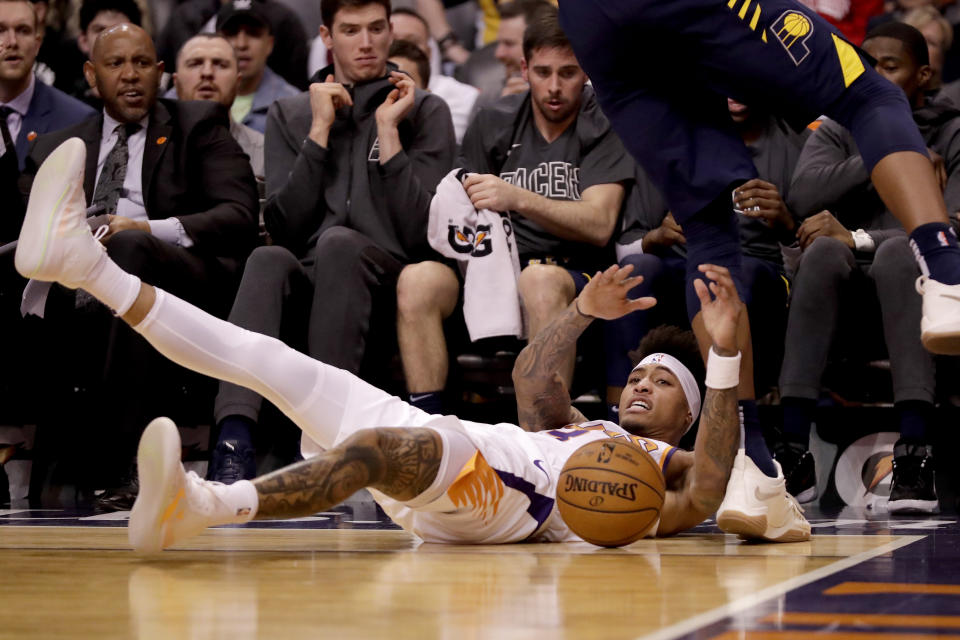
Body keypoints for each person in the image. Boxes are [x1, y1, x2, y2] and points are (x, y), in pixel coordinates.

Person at [12, 139, 796, 547]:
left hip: (499, 496)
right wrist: (580, 313)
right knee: (270, 360)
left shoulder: (665, 474)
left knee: (384, 448)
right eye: (641, 376)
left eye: (662, 387)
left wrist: (721, 362)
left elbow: (705, 493)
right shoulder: (589, 429)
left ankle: (204, 504)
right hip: (467, 450)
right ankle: (87, 265)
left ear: (686, 417)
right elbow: (531, 383)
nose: (639, 388)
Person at [557, 0, 960, 374]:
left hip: (590, 21)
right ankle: (947, 277)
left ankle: (738, 442)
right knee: (870, 95)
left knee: (706, 221)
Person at [208, 0, 455, 485]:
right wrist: (318, 133)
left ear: (390, 32)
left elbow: (422, 231)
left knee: (340, 243)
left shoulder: (424, 110)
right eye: (350, 30)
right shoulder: (291, 112)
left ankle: (322, 443)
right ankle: (232, 443)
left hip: (388, 278)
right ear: (326, 35)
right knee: (267, 258)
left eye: (376, 29)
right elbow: (284, 225)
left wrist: (388, 132)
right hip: (311, 280)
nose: (366, 42)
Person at [15, 23, 259, 510]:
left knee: (126, 252)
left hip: (180, 279)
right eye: (116, 64)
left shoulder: (199, 125)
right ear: (91, 74)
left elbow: (238, 214)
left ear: (161, 72)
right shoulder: (57, 146)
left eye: (143, 64)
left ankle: (120, 463)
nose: (131, 75)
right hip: (73, 288)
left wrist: (145, 230)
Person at [395, 8, 633, 416]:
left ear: (587, 71)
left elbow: (599, 224)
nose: (554, 87)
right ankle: (432, 428)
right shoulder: (494, 120)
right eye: (543, 72)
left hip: (575, 275)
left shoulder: (604, 121)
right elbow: (462, 214)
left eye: (569, 73)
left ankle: (541, 436)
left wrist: (518, 198)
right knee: (418, 279)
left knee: (539, 280)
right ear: (524, 68)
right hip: (495, 270)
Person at [775, 22, 954, 513]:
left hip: (924, 291)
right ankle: (792, 452)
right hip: (843, 295)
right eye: (866, 64)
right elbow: (803, 197)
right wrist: (891, 152)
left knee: (900, 253)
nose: (872, 75)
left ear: (922, 76)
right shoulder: (838, 124)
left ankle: (916, 456)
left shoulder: (954, 130)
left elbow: (952, 228)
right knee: (822, 252)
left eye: (889, 67)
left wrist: (859, 236)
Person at [0, 0, 94, 176]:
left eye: (23, 30)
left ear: (37, 43)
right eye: (0, 30)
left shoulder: (78, 122)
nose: (12, 42)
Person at [172, 33, 264, 177]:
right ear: (176, 83)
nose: (207, 72)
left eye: (220, 64)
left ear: (237, 82)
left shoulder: (263, 153)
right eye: (195, 63)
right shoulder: (149, 147)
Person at [390, 7, 479, 144]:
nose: (403, 49)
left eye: (412, 42)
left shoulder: (465, 96)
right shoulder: (365, 92)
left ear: (429, 52)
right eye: (394, 41)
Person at [215, 0, 298, 134]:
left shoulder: (293, 107)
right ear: (216, 42)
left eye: (253, 33)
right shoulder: (185, 97)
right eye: (232, 33)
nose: (242, 44)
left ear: (269, 44)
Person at [50, 0, 142, 107]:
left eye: (120, 31)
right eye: (100, 30)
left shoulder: (155, 104)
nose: (109, 39)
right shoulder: (64, 106)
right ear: (83, 41)